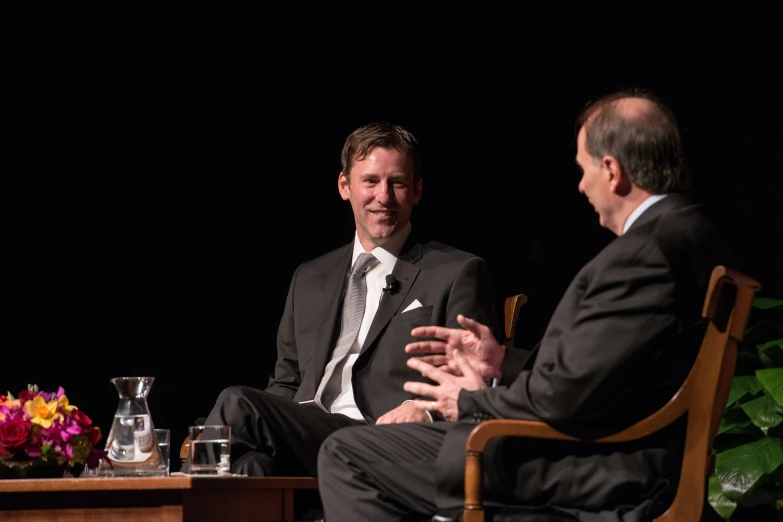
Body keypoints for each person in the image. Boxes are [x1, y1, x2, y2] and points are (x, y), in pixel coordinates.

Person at [317, 90, 736, 521]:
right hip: (603, 448)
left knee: (346, 454)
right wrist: (502, 362)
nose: (581, 184)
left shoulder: (647, 253)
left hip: (592, 467)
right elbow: (599, 368)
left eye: (583, 168)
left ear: (611, 170)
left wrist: (468, 402)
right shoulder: (691, 233)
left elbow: (566, 397)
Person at [183, 122, 500, 477]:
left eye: (396, 182)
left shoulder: (455, 271)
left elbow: (474, 377)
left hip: (381, 436)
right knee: (252, 467)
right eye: (370, 182)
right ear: (344, 186)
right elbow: (286, 383)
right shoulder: (310, 277)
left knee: (235, 402)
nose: (383, 196)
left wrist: (424, 408)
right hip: (305, 434)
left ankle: (181, 488)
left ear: (417, 191)